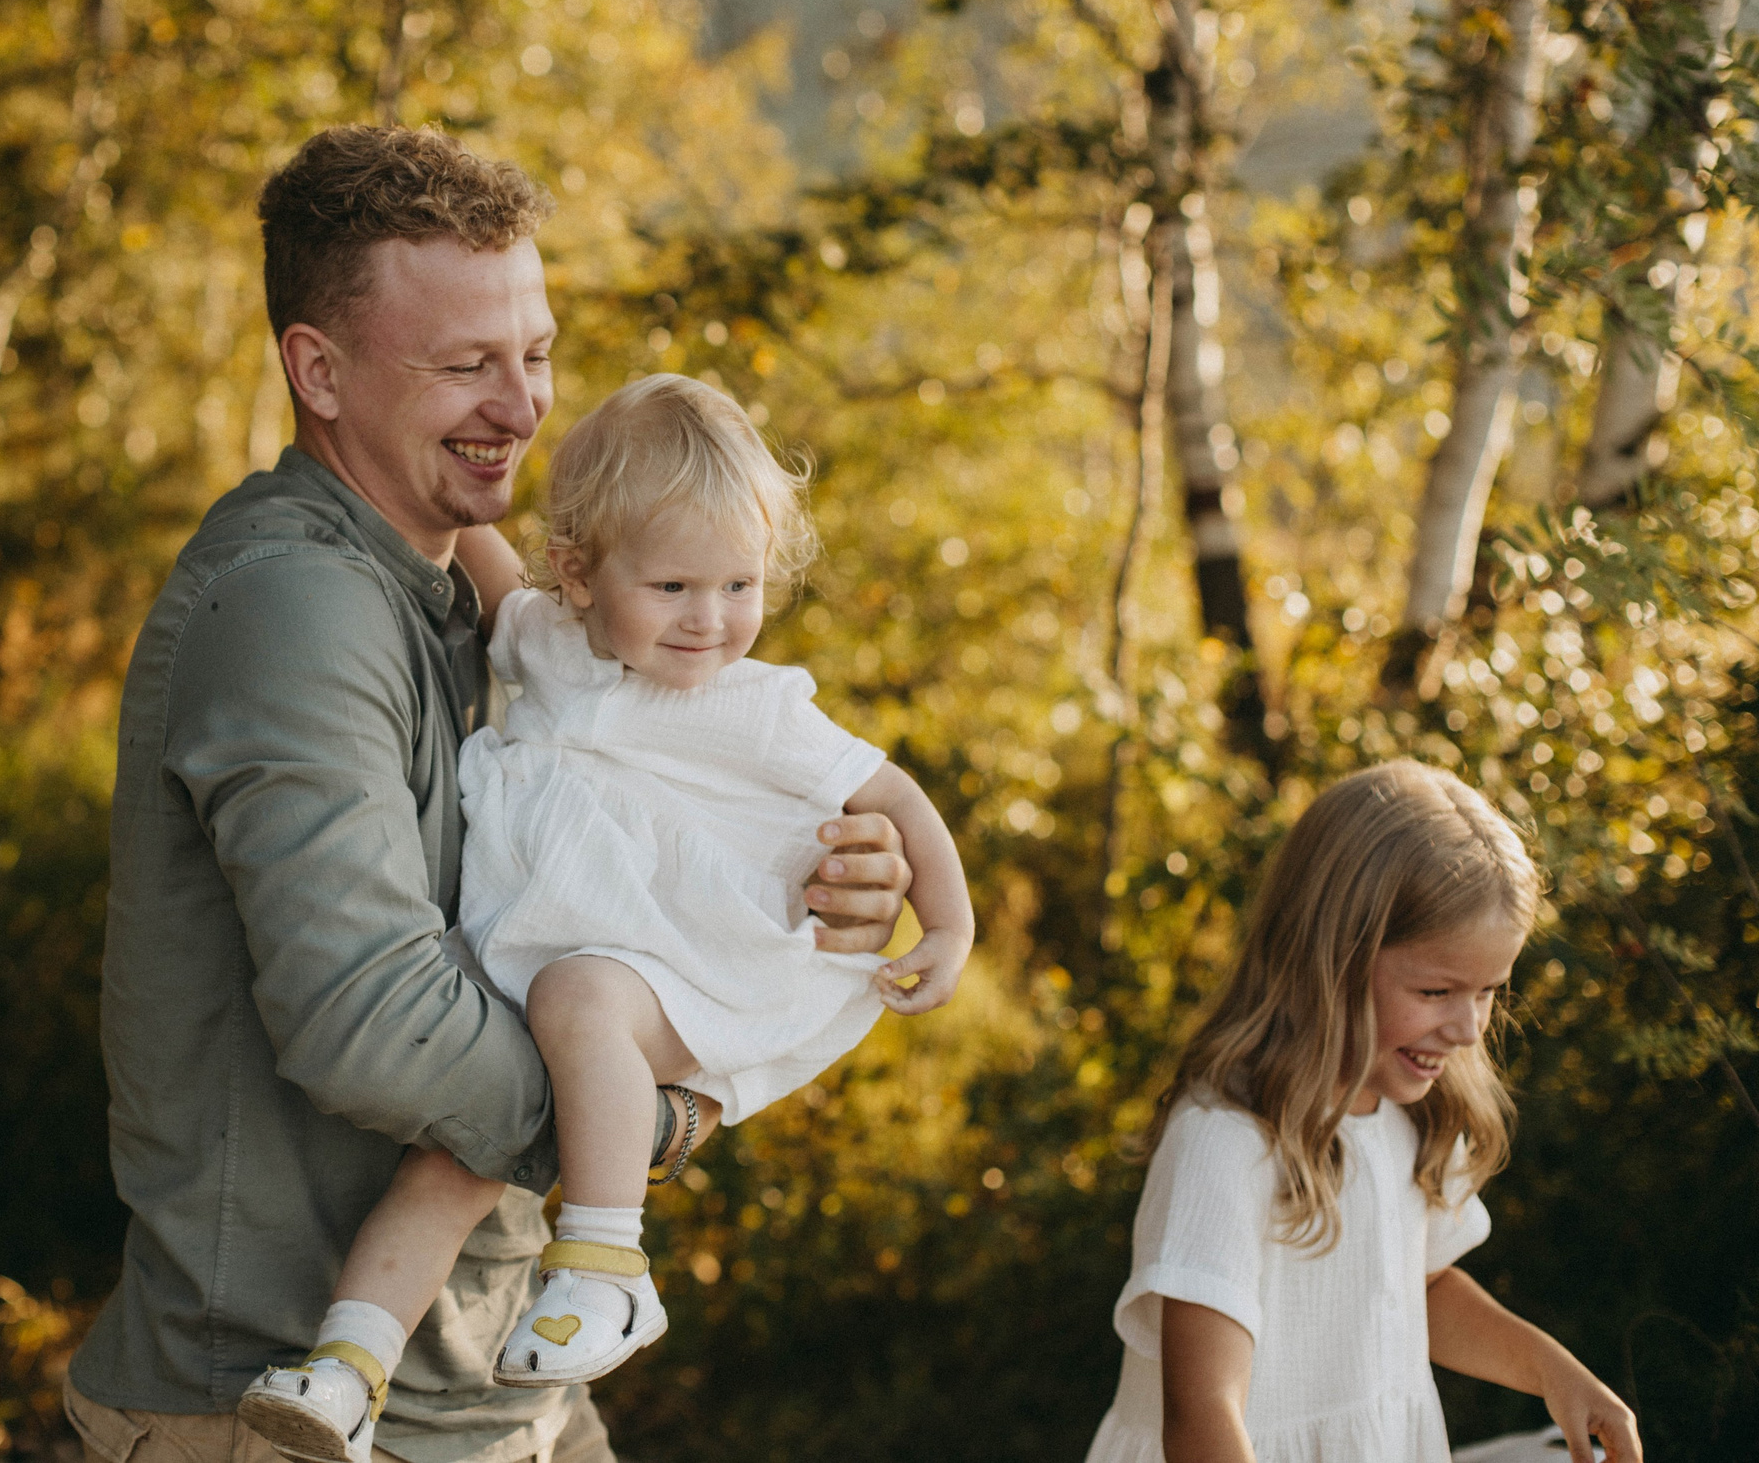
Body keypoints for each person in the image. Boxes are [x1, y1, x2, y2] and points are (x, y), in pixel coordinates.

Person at [60, 124, 915, 1463]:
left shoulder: (477, 590)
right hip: (280, 1408)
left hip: (493, 1385)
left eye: (535, 354)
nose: (520, 405)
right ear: (319, 370)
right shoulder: (295, 606)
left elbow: (619, 843)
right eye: (467, 365)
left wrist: (815, 882)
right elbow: (368, 1016)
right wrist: (659, 1106)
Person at [235, 375, 976, 1463]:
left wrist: (948, 928)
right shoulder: (547, 640)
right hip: (541, 973)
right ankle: (345, 1370)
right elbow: (488, 560)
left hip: (674, 968)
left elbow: (897, 799)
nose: (710, 619)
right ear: (580, 576)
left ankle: (607, 1264)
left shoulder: (752, 706)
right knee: (446, 1165)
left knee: (578, 1002)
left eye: (737, 583)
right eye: (673, 584)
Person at [1083, 760, 1642, 1463]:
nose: (1469, 1028)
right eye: (1437, 991)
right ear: (1331, 960)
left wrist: (1551, 1369)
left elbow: (1417, 1290)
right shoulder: (1225, 1139)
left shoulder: (1415, 1113)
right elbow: (1201, 1418)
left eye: (1488, 991)